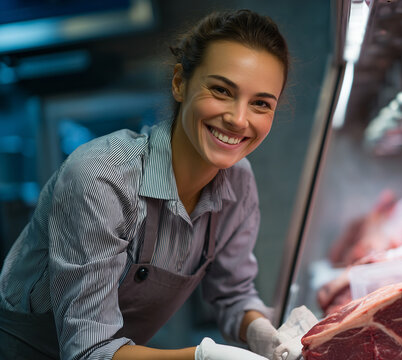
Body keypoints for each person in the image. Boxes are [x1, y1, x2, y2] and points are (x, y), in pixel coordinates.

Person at [0, 9, 317, 360]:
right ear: (180, 82)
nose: (238, 119)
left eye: (260, 103)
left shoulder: (238, 182)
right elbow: (89, 350)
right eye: (221, 90)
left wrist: (262, 332)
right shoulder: (101, 179)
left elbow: (233, 294)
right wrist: (202, 357)